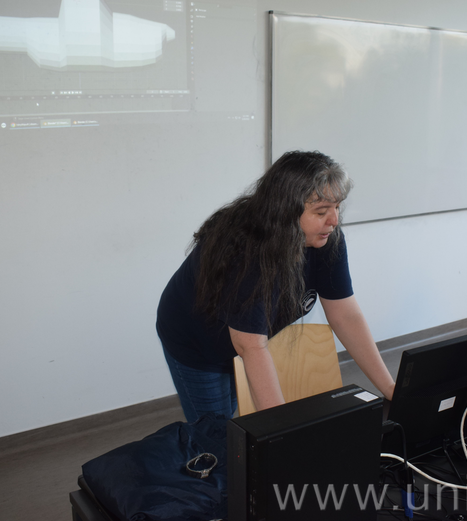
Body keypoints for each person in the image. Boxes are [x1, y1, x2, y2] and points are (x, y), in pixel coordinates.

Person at [156, 150, 395, 422]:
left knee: (241, 411)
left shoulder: (326, 239)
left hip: (245, 338)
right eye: (321, 211)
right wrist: (281, 431)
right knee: (216, 434)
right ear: (286, 212)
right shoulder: (246, 254)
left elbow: (346, 315)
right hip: (197, 341)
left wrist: (390, 389)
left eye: (337, 207)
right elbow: (251, 347)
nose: (334, 220)